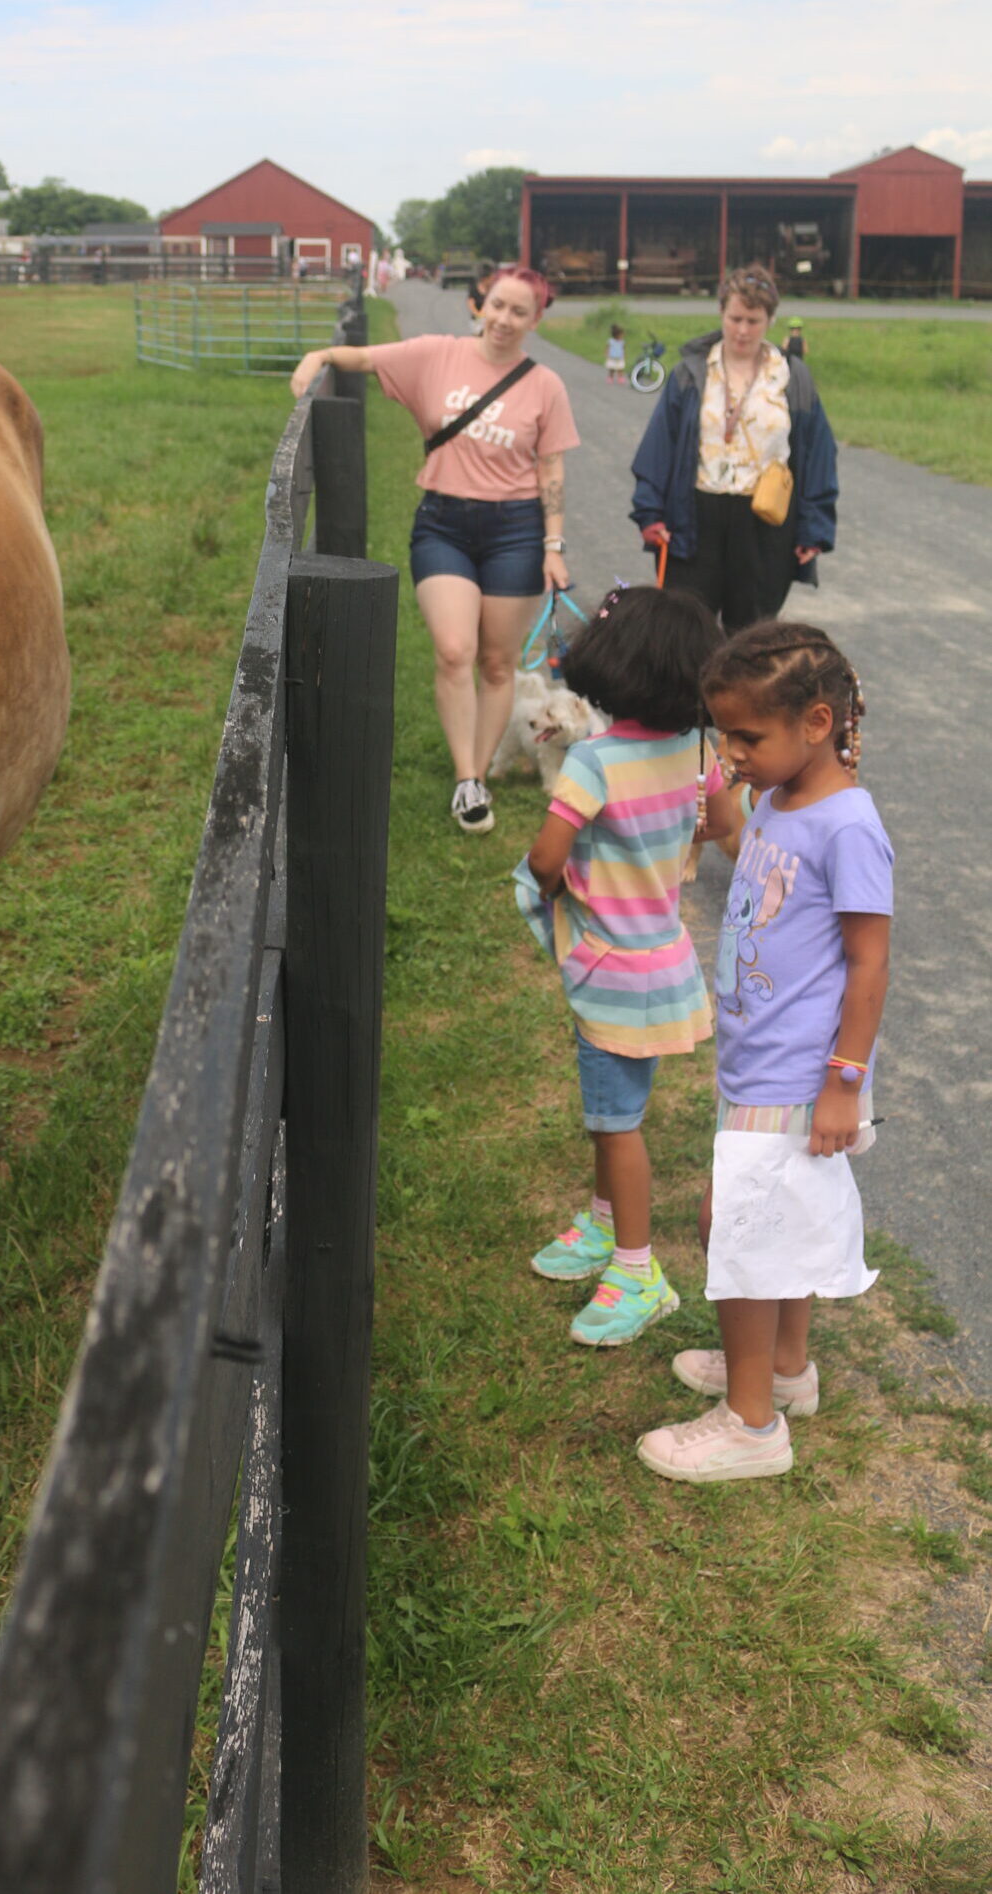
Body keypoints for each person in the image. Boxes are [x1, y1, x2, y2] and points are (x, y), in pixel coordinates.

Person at [639, 621, 892, 1482]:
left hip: (798, 1070)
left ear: (817, 723)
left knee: (734, 1225)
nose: (733, 751)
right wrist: (730, 797)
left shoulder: (848, 826)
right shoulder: (783, 800)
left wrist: (843, 1082)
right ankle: (785, 1373)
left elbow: (869, 963)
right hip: (756, 1058)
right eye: (723, 734)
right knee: (768, 1221)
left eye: (748, 735)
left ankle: (750, 1424)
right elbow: (752, 859)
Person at [515, 586, 734, 1344]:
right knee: (620, 1109)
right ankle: (606, 1226)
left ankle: (639, 1273)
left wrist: (550, 885)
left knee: (615, 1125)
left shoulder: (594, 762)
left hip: (608, 972)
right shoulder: (699, 750)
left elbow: (546, 855)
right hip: (665, 960)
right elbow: (728, 823)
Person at [288, 266, 579, 832]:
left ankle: (476, 782)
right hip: (444, 522)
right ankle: (466, 771)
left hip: (516, 529)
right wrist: (315, 357)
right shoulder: (437, 354)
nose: (505, 319)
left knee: (496, 662)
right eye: (497, 306)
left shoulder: (546, 385)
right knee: (453, 649)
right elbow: (365, 359)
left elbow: (552, 467)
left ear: (536, 320)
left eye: (520, 312)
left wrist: (553, 544)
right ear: (480, 304)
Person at [630, 265, 838, 632]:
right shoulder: (690, 373)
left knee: (751, 637)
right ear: (721, 314)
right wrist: (649, 512)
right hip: (695, 517)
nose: (742, 330)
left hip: (765, 521)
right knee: (687, 631)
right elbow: (659, 446)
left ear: (770, 320)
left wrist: (813, 529)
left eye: (753, 321)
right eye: (735, 318)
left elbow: (819, 455)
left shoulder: (793, 379)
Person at [466, 263, 495, 332]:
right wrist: (479, 315)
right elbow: (470, 303)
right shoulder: (474, 289)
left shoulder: (494, 290)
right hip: (477, 321)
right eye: (491, 278)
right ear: (484, 279)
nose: (493, 280)